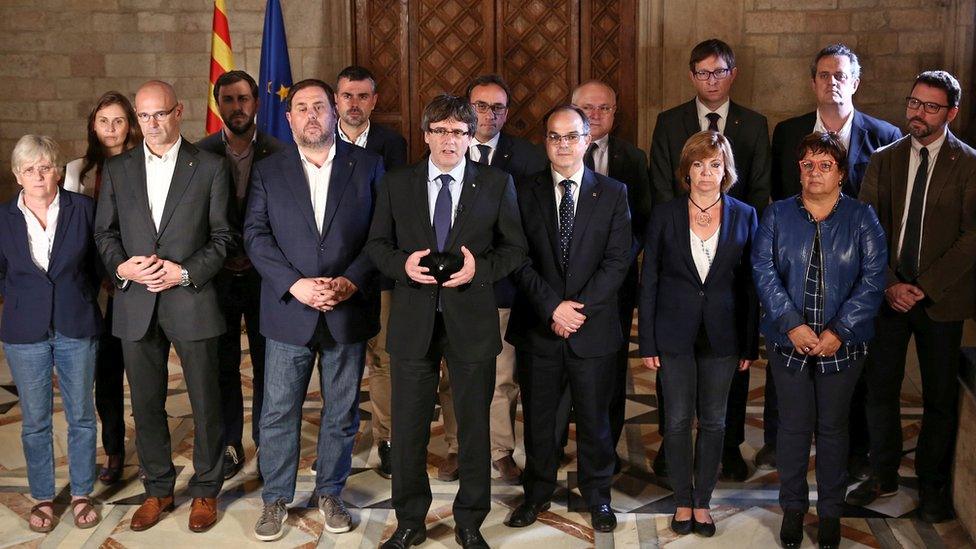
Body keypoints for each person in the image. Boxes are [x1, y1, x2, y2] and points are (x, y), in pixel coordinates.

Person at [366, 94, 526, 549]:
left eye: (458, 131)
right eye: (439, 130)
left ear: (470, 135)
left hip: (471, 318)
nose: (448, 140)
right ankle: (411, 521)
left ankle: (470, 520)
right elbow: (376, 244)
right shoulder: (398, 183)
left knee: (473, 426)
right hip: (413, 319)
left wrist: (482, 270)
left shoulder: (495, 183)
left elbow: (515, 249)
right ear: (426, 134)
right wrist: (402, 267)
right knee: (410, 426)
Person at [244, 78, 385, 541]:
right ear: (289, 118)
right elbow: (256, 237)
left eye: (319, 106)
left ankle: (330, 492)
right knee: (279, 410)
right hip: (290, 309)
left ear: (335, 111)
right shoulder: (268, 170)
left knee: (341, 410)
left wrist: (350, 280)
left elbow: (380, 237)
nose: (311, 115)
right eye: (301, 107)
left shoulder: (367, 165)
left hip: (347, 308)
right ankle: (276, 499)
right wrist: (296, 284)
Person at [94, 80, 236, 533]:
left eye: (161, 113)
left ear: (180, 112)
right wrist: (124, 268)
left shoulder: (211, 166)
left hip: (192, 298)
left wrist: (184, 272)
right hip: (136, 302)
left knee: (206, 401)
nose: (152, 123)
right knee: (147, 403)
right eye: (145, 115)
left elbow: (224, 237)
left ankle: (207, 490)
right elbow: (105, 234)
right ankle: (158, 489)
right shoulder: (118, 169)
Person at [763, 43, 900, 476]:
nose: (833, 81)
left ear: (856, 82)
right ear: (814, 82)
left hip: (853, 277)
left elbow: (887, 211)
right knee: (788, 383)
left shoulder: (884, 135)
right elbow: (781, 201)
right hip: (796, 271)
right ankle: (779, 447)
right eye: (824, 74)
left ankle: (853, 456)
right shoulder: (787, 133)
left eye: (841, 75)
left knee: (852, 382)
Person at [851, 70, 976, 523]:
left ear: (951, 113)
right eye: (914, 103)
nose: (918, 113)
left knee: (940, 397)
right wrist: (890, 283)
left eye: (931, 107)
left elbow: (971, 235)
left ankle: (933, 485)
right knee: (879, 389)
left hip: (942, 300)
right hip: (888, 295)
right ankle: (882, 473)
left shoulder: (970, 164)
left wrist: (925, 286)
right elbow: (867, 228)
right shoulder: (884, 159)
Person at [752, 132, 886, 549]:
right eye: (807, 164)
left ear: (841, 174)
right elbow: (763, 270)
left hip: (841, 344)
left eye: (825, 165)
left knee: (832, 428)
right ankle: (793, 509)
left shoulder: (862, 217)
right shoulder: (777, 216)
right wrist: (791, 324)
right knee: (791, 429)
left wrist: (838, 332)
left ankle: (830, 511)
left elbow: (873, 279)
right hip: (787, 339)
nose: (815, 172)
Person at [505, 105, 632, 534]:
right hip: (539, 326)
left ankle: (599, 497)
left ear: (586, 140)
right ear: (546, 142)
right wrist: (552, 308)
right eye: (555, 137)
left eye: (571, 136)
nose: (563, 145)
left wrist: (577, 310)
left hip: (592, 329)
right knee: (540, 420)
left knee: (596, 421)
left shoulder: (613, 193)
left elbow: (618, 262)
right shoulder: (522, 191)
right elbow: (517, 258)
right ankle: (536, 494)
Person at [648, 38, 770, 481]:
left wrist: (738, 229)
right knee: (675, 373)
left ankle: (730, 444)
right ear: (692, 75)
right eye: (703, 72)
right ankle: (670, 441)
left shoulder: (754, 124)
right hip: (681, 243)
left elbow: (758, 188)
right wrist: (680, 227)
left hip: (731, 247)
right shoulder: (669, 121)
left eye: (719, 71)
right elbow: (661, 181)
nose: (711, 80)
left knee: (727, 360)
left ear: (732, 73)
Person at [640, 131, 758, 537]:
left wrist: (749, 341)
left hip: (724, 334)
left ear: (725, 170)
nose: (706, 173)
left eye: (714, 164)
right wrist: (647, 341)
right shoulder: (665, 214)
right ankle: (681, 500)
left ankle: (703, 501)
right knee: (675, 421)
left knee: (714, 421)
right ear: (686, 171)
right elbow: (650, 278)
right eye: (697, 164)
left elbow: (750, 285)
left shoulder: (745, 214)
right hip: (672, 332)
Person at [1, 135, 103, 532]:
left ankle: (81, 493)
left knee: (80, 415)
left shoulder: (84, 210)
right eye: (29, 169)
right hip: (24, 331)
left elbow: (97, 267)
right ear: (17, 175)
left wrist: (75, 298)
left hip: (76, 322)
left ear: (58, 170)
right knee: (35, 420)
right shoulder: (3, 218)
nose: (39, 176)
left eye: (45, 167)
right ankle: (43, 495)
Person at [196, 70, 285, 479]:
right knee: (222, 362)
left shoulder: (280, 152)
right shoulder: (199, 153)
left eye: (244, 99)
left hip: (265, 277)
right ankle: (231, 443)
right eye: (229, 100)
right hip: (216, 277)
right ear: (219, 105)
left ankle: (269, 442)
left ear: (257, 104)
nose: (237, 107)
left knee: (270, 363)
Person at [568, 80, 652, 471]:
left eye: (604, 108)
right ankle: (555, 445)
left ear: (615, 113)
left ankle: (605, 450)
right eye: (588, 108)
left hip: (614, 288)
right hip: (562, 289)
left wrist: (614, 267)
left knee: (611, 371)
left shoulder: (632, 159)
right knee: (561, 368)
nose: (595, 115)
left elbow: (642, 224)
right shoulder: (554, 153)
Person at [63, 91, 141, 485]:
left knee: (147, 371)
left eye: (118, 121)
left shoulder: (148, 162)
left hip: (141, 280)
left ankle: (151, 446)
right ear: (93, 126)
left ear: (131, 124)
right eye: (103, 121)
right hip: (96, 286)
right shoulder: (78, 170)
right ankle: (113, 450)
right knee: (106, 374)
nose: (111, 129)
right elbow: (74, 232)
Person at [335, 65, 408, 479]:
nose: (355, 104)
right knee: (340, 357)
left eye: (363, 96)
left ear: (374, 102)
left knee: (383, 358)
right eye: (348, 96)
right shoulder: (320, 140)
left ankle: (388, 439)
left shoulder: (391, 144)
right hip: (332, 270)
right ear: (337, 100)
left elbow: (394, 210)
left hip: (378, 270)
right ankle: (339, 440)